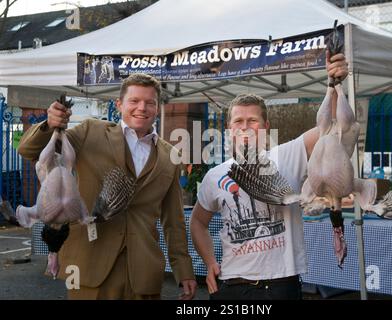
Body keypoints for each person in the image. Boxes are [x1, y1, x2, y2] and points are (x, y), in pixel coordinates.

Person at [18, 73, 197, 300]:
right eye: (134, 101)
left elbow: (174, 220)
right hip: (89, 266)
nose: (142, 108)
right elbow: (29, 151)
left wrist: (184, 271)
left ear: (157, 106)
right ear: (119, 104)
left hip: (143, 274)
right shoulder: (90, 131)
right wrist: (49, 124)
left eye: (149, 102)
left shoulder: (171, 155)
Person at [189, 51, 348, 300]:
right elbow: (197, 221)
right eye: (238, 121)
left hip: (280, 285)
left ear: (265, 126)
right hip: (232, 285)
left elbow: (331, 126)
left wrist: (335, 84)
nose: (244, 126)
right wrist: (209, 262)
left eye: (252, 120)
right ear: (230, 129)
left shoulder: (287, 155)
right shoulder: (215, 175)